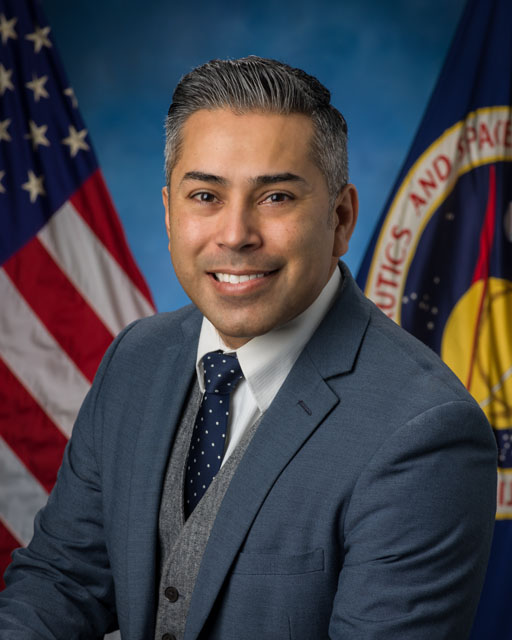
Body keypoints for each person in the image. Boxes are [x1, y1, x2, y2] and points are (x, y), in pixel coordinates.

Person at [0, 56, 497, 640]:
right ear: (168, 213)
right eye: (205, 196)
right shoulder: (136, 358)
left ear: (340, 219)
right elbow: (62, 580)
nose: (235, 234)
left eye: (276, 197)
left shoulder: (426, 432)